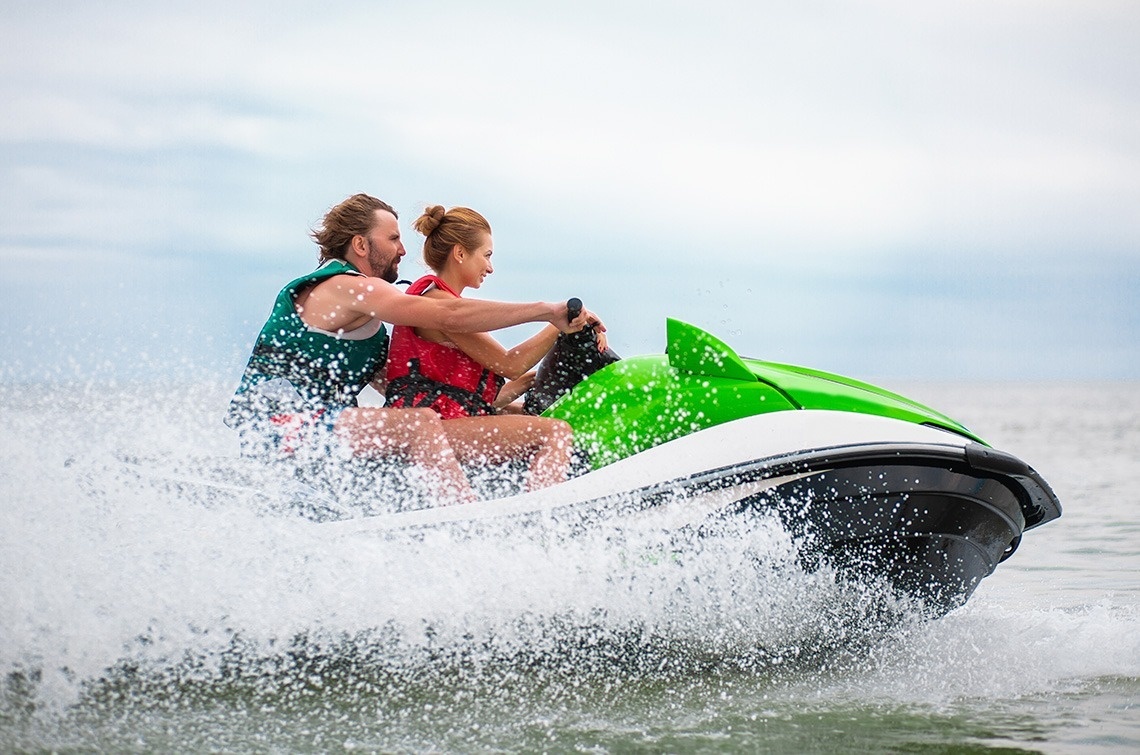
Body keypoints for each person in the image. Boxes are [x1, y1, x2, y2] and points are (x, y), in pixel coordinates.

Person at [225, 193, 603, 504]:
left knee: (431, 417)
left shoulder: (368, 328)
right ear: (360, 244)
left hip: (325, 434)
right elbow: (448, 314)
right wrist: (547, 312)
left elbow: (402, 387)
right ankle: (467, 521)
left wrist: (518, 392)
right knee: (420, 421)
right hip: (275, 427)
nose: (404, 249)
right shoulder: (344, 285)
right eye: (392, 239)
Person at [385, 205, 608, 418]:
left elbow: (473, 399)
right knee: (554, 433)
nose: (490, 268)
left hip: (439, 419)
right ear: (460, 253)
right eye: (487, 255)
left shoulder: (438, 300)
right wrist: (558, 324)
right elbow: (509, 364)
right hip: (429, 429)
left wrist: (535, 380)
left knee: (535, 418)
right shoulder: (439, 305)